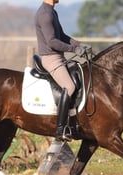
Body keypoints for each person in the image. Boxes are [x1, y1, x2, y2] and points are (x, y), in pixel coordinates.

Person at [35, 0, 91, 142]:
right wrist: (73, 49)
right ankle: (60, 129)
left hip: (58, 56)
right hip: (51, 58)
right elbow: (52, 41)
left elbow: (63, 36)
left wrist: (79, 45)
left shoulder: (52, 11)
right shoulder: (45, 14)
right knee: (70, 86)